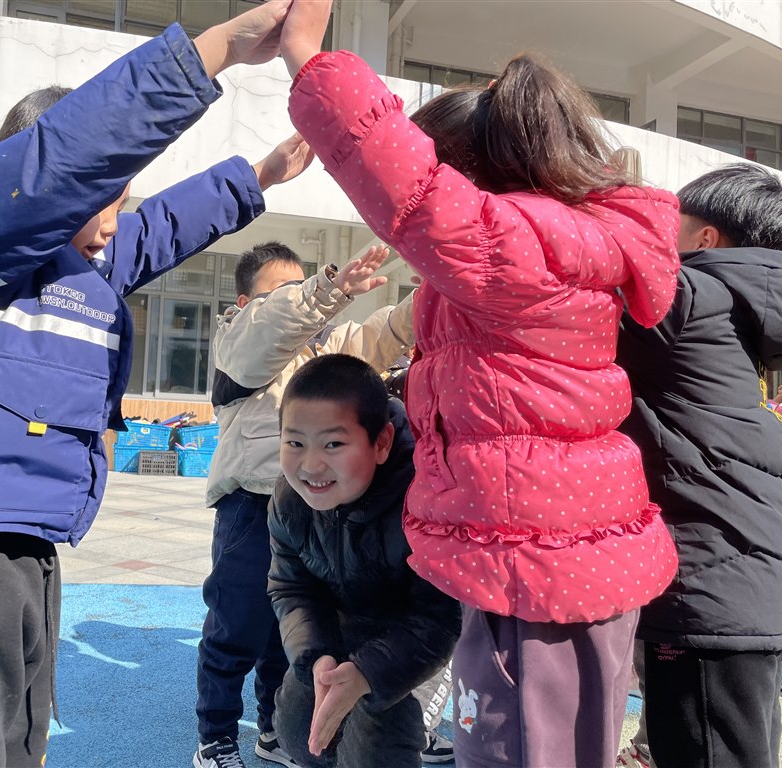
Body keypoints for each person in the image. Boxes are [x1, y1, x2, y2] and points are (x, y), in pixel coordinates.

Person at [0, 4, 313, 765]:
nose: (117, 217)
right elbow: (63, 161)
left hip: (31, 550)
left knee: (15, 747)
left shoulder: (86, 268)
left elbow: (164, 227)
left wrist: (258, 177)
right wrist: (216, 50)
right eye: (106, 192)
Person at [277, 3, 682, 766]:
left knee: (513, 750)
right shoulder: (561, 247)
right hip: (562, 556)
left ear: (469, 180)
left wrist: (306, 57)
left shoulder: (513, 247)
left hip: (533, 566)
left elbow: (409, 188)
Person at [195, 241, 422, 768]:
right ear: (244, 300)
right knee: (235, 627)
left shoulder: (323, 349)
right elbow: (270, 330)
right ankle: (216, 737)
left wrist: (433, 294)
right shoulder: (237, 342)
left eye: (300, 287)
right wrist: (326, 289)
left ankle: (272, 727)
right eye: (281, 290)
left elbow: (382, 333)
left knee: (294, 629)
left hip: (311, 511)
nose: (297, 298)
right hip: (251, 507)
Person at [616, 162, 782, 768]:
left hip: (709, 582)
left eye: (670, 222)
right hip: (746, 574)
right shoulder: (740, 312)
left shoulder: (688, 295)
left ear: (706, 239)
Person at [267, 353, 463, 768]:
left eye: (333, 444)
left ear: (382, 443)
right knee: (299, 731)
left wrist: (367, 673)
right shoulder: (288, 502)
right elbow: (291, 588)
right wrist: (316, 656)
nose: (311, 465)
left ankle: (414, 733)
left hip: (420, 637)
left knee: (377, 745)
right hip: (345, 626)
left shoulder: (426, 500)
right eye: (295, 443)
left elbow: (442, 618)